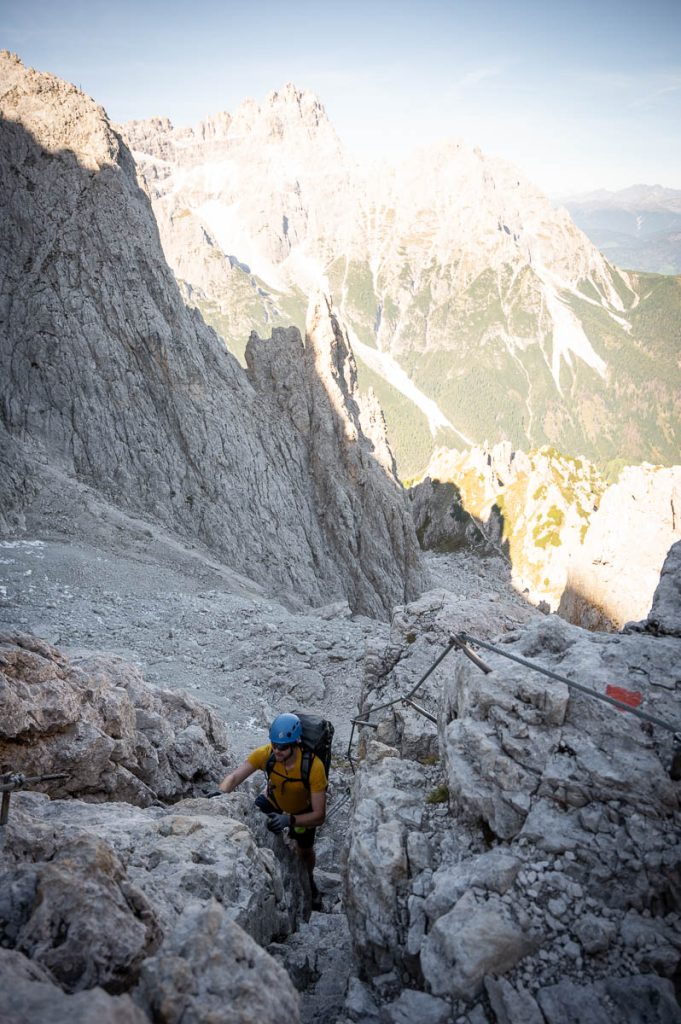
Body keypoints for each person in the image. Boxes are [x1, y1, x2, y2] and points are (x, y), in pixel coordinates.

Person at [219, 713, 327, 907]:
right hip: (272, 801)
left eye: (283, 747)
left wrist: (289, 820)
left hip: (301, 813)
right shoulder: (266, 754)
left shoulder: (313, 767)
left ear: (296, 743)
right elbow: (234, 777)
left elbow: (319, 815)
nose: (277, 750)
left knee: (305, 851)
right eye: (274, 744)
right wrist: (220, 795)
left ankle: (310, 883)